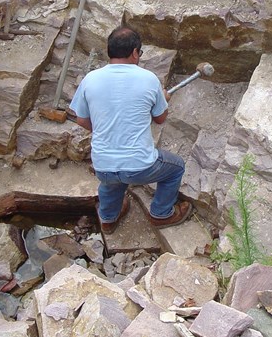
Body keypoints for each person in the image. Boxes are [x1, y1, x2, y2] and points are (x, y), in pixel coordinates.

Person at [70, 25, 192, 234]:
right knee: (177, 167)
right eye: (140, 52)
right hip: (140, 166)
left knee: (111, 181)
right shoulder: (148, 78)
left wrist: (102, 129)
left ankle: (108, 219)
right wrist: (163, 99)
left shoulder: (90, 79)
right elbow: (160, 118)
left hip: (103, 164)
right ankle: (161, 214)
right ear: (135, 52)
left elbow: (81, 120)